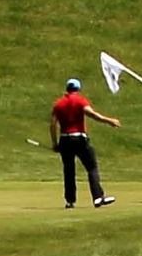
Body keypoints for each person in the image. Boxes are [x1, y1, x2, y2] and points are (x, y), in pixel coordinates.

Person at [49, 79, 117, 208]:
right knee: (91, 167)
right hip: (79, 138)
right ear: (78, 89)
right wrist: (109, 121)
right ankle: (98, 197)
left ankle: (70, 201)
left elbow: (52, 125)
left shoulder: (58, 104)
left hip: (64, 139)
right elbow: (92, 114)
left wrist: (55, 143)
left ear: (67, 89)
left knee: (69, 170)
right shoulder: (80, 100)